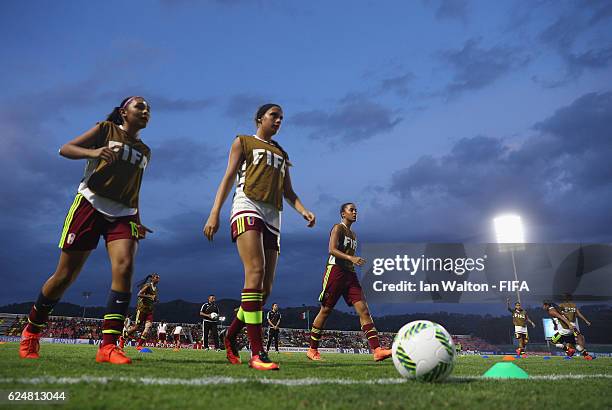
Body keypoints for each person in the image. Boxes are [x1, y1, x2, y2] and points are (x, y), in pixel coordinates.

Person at [19, 96, 152, 365]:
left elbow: (133, 188)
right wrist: (93, 152)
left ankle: (108, 346)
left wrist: (138, 217)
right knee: (64, 276)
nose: (146, 111)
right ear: (124, 112)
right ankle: (32, 330)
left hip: (124, 214)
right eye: (140, 106)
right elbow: (65, 149)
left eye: (149, 109)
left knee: (125, 268)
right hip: (89, 205)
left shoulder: (145, 151)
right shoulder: (105, 129)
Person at [204, 103, 315, 371]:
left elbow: (288, 191)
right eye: (273, 115)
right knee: (254, 271)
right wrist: (214, 212)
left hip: (273, 217)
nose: (278, 120)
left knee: (264, 292)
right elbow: (228, 178)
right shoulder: (243, 142)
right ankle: (257, 353)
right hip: (247, 206)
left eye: (281, 118)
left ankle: (229, 336)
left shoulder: (281, 152)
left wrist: (303, 211)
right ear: (259, 118)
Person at [307, 203, 392, 362]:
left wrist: (351, 263)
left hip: (350, 274)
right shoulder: (337, 228)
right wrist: (351, 258)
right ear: (342, 213)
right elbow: (331, 250)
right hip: (336, 271)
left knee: (364, 310)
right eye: (351, 210)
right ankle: (312, 349)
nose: (355, 212)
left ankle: (377, 350)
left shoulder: (354, 234)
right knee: (325, 311)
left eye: (356, 210)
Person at [122, 273, 160, 350]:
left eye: (159, 278)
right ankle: (123, 337)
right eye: (157, 277)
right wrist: (150, 296)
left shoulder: (156, 288)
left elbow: (154, 299)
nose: (158, 279)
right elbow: (139, 294)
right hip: (142, 309)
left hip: (149, 311)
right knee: (136, 328)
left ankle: (139, 345)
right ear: (152, 278)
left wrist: (156, 300)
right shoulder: (147, 285)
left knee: (147, 328)